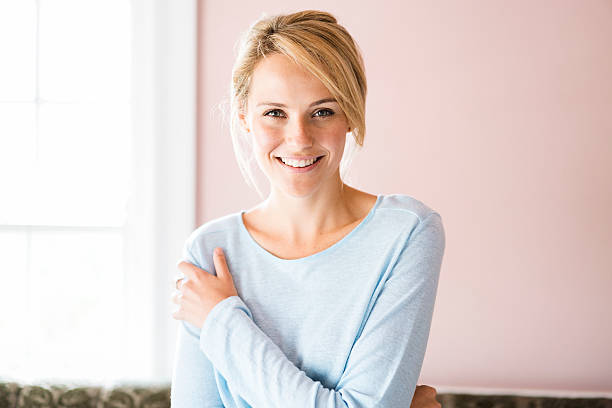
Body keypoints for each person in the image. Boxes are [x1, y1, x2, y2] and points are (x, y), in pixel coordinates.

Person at [170, 10, 445, 408]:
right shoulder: (210, 251)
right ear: (244, 117)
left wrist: (221, 321)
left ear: (350, 113)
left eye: (322, 111)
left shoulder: (407, 233)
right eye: (274, 113)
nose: (299, 139)